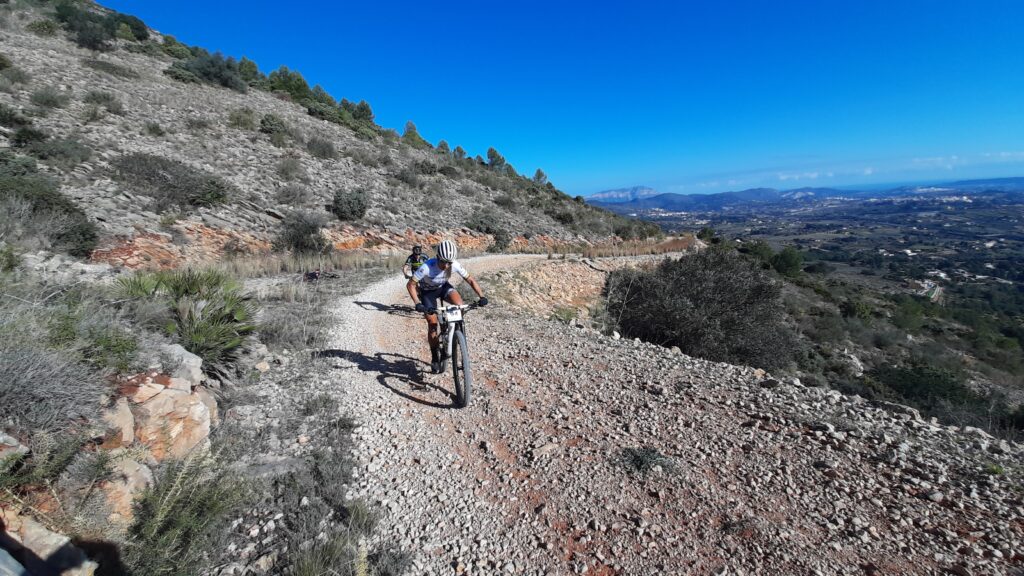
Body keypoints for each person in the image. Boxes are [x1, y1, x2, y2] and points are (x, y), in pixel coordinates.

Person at [407, 239, 487, 373]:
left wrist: (482, 296)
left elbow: (471, 280)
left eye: (449, 262)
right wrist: (417, 303)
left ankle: (453, 334)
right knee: (432, 324)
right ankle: (434, 356)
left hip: (443, 288)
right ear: (438, 257)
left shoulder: (453, 264)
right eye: (443, 261)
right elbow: (410, 285)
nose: (446, 265)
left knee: (460, 305)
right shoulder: (426, 267)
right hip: (428, 293)